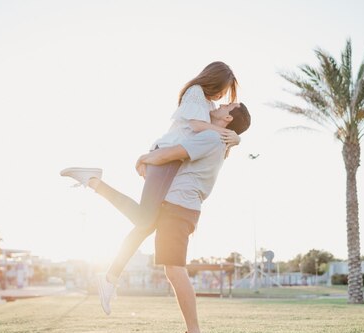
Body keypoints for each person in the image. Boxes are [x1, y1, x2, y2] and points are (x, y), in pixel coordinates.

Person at [63, 102, 251, 333]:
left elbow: (170, 154)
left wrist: (143, 159)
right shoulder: (215, 138)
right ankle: (94, 184)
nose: (220, 103)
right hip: (177, 204)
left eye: (228, 104)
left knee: (174, 269)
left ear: (227, 117)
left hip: (178, 206)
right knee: (145, 229)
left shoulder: (210, 138)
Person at [61, 62, 240, 305]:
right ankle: (93, 182)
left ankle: (110, 276)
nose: (222, 98)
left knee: (146, 224)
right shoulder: (195, 92)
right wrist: (230, 136)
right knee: (144, 220)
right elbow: (199, 127)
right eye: (223, 91)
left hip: (172, 162)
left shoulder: (208, 105)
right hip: (165, 157)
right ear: (213, 80)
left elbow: (219, 127)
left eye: (225, 98)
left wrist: (235, 136)